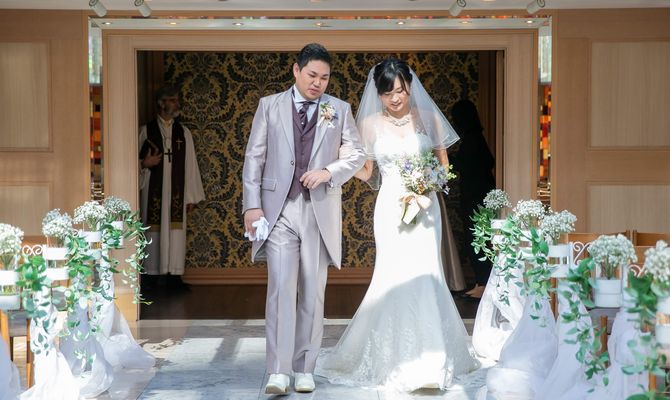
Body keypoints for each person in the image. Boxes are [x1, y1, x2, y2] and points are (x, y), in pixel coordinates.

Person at [316, 58, 479, 391]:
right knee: (392, 276)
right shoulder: (370, 125)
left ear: (410, 87)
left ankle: (433, 358)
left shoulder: (428, 118)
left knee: (428, 275)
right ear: (378, 94)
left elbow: (443, 166)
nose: (395, 98)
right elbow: (366, 172)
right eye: (388, 92)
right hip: (391, 208)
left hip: (425, 207)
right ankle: (391, 357)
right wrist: (340, 162)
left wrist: (425, 184)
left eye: (401, 91)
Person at [242, 43, 366, 395]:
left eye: (324, 78)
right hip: (279, 210)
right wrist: (252, 206)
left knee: (312, 290)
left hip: (318, 210)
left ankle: (305, 368)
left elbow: (357, 154)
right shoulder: (269, 106)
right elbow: (254, 157)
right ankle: (278, 370)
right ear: (296, 71)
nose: (318, 83)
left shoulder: (338, 109)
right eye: (312, 75)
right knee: (281, 288)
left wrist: (328, 171)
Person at [139, 85, 205, 287]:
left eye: (177, 100)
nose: (177, 104)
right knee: (153, 230)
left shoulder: (183, 133)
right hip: (153, 191)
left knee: (175, 232)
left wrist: (191, 196)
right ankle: (150, 276)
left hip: (177, 193)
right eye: (173, 100)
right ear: (162, 103)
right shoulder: (146, 131)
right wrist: (144, 164)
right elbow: (133, 162)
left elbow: (190, 165)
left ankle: (174, 277)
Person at [451, 99, 495, 298]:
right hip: (482, 192)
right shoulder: (477, 138)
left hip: (475, 195)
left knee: (476, 237)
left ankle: (483, 283)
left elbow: (465, 165)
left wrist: (447, 159)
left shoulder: (472, 140)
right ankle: (482, 281)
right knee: (480, 236)